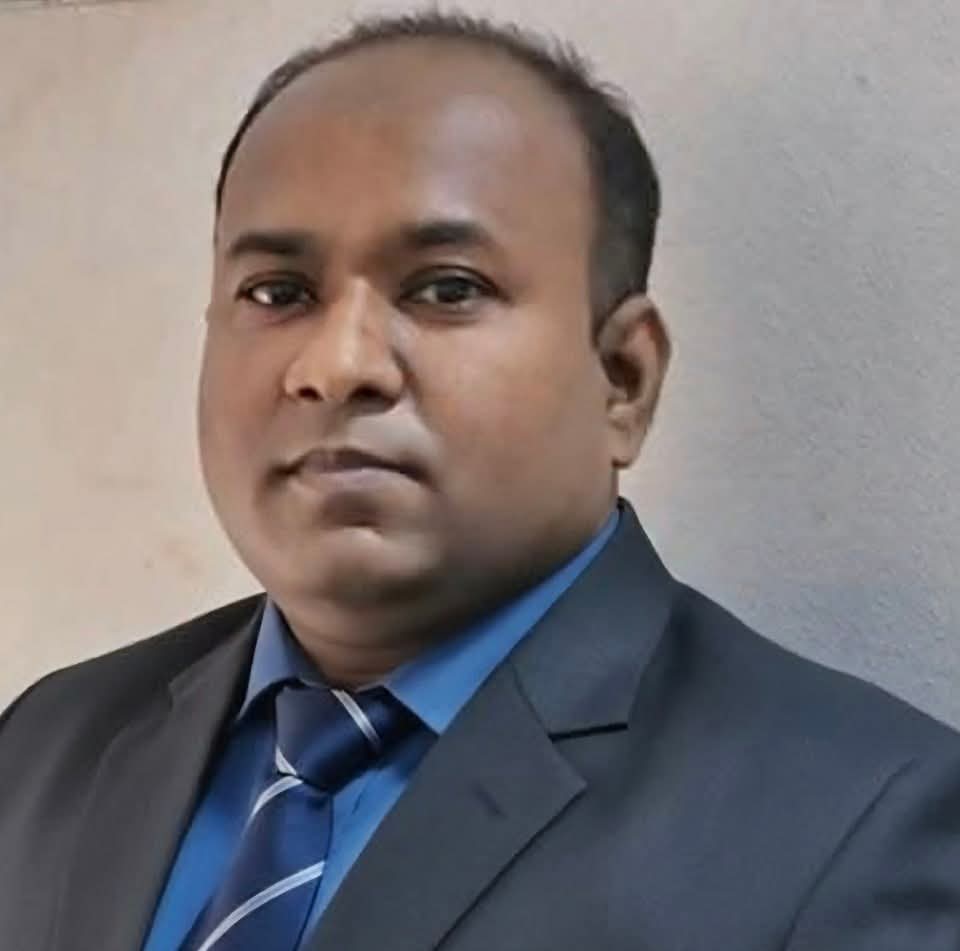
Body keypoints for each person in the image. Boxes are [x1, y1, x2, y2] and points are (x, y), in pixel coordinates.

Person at [2, 10, 959, 951]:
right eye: (278, 293)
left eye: (447, 287)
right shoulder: (49, 746)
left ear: (623, 378)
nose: (337, 364)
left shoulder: (856, 826)